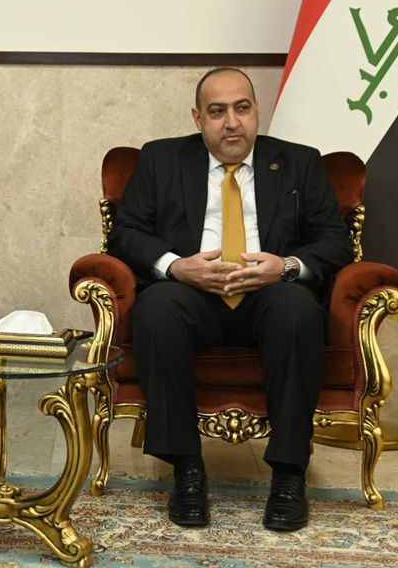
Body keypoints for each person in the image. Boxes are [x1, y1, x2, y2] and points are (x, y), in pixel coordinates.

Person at [110, 67, 351, 531]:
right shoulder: (161, 158)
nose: (232, 122)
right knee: (157, 307)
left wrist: (285, 266)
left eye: (242, 108)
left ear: (257, 111)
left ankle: (288, 475)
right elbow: (126, 233)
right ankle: (187, 471)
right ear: (198, 118)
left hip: (269, 294)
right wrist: (176, 266)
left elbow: (334, 240)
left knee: (298, 310)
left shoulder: (300, 162)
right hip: (191, 294)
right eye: (217, 111)